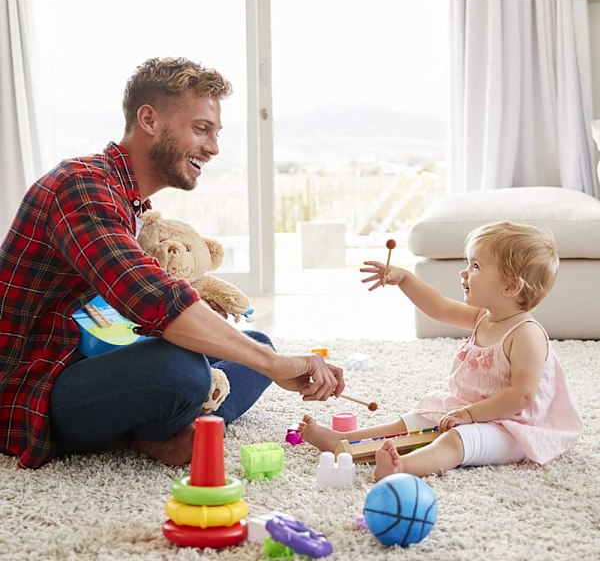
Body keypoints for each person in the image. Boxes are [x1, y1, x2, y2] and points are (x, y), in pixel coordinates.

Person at [0, 57, 344, 470]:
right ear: (149, 119)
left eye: (215, 133)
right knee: (182, 370)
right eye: (200, 129)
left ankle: (172, 430)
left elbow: (120, 309)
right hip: (31, 387)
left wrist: (237, 344)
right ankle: (168, 429)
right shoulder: (81, 186)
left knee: (254, 343)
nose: (213, 148)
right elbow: (151, 298)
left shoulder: (124, 200)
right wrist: (274, 366)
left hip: (75, 357)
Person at [300, 221, 582, 480]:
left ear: (510, 286)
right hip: (468, 409)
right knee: (415, 418)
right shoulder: (482, 317)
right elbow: (438, 307)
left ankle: (402, 468)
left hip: (514, 427)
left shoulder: (526, 334)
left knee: (455, 441)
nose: (464, 271)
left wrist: (470, 415)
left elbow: (521, 396)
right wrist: (404, 279)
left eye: (476, 266)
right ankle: (342, 441)